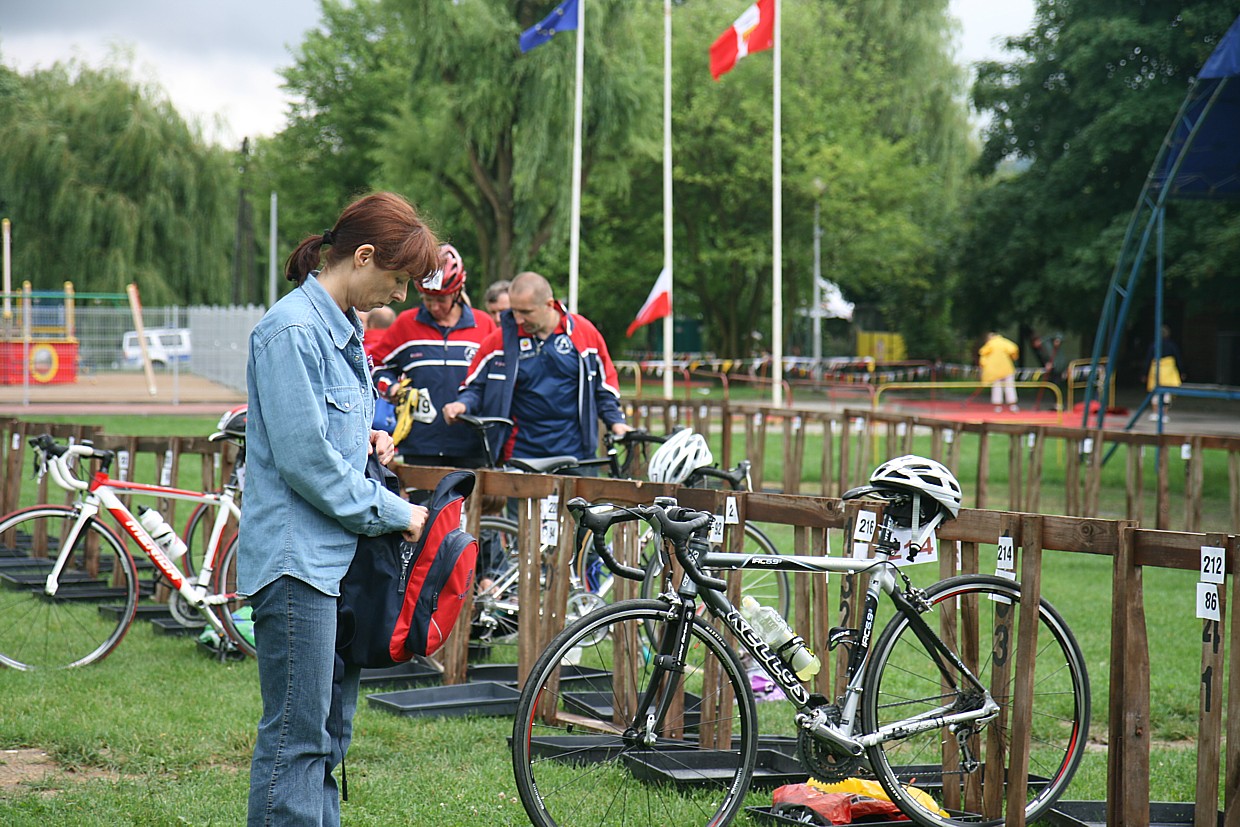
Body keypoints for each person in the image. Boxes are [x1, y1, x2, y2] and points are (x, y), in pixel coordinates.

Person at [238, 191, 434, 827]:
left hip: (336, 564)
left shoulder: (342, 329)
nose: (401, 295)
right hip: (297, 565)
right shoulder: (292, 331)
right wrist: (397, 512)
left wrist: (367, 438)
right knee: (297, 741)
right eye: (399, 279)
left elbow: (325, 437)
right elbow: (307, 465)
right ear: (364, 256)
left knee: (327, 737)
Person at [442, 272, 632, 588]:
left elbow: (604, 387)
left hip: (577, 455)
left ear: (549, 304)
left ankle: (586, 602)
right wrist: (462, 404)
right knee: (524, 541)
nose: (518, 319)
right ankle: (524, 603)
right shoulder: (502, 340)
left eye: (525, 312)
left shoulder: (583, 334)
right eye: (514, 311)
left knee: (585, 536)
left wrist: (616, 422)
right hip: (522, 455)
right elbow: (475, 385)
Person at [369, 243, 496, 466]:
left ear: (457, 292)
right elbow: (375, 367)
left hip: (471, 445)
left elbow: (493, 381)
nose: (434, 307)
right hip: (419, 445)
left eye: (441, 300)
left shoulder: (483, 324)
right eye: (428, 299)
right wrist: (391, 388)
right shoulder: (406, 324)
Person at [1146, 324, 1183, 420]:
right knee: (1167, 393)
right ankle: (1164, 414)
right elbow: (1178, 358)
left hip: (1156, 369)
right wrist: (1181, 371)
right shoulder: (1172, 345)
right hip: (1169, 370)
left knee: (1155, 391)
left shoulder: (1154, 345)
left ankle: (1155, 413)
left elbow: (1148, 359)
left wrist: (1144, 373)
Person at [979, 331, 1020, 412]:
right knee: (1010, 387)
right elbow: (1014, 349)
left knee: (997, 388)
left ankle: (998, 407)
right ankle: (1013, 406)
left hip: (995, 370)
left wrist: (984, 367)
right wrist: (1014, 357)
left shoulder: (990, 344)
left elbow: (983, 355)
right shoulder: (1004, 342)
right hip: (1007, 369)